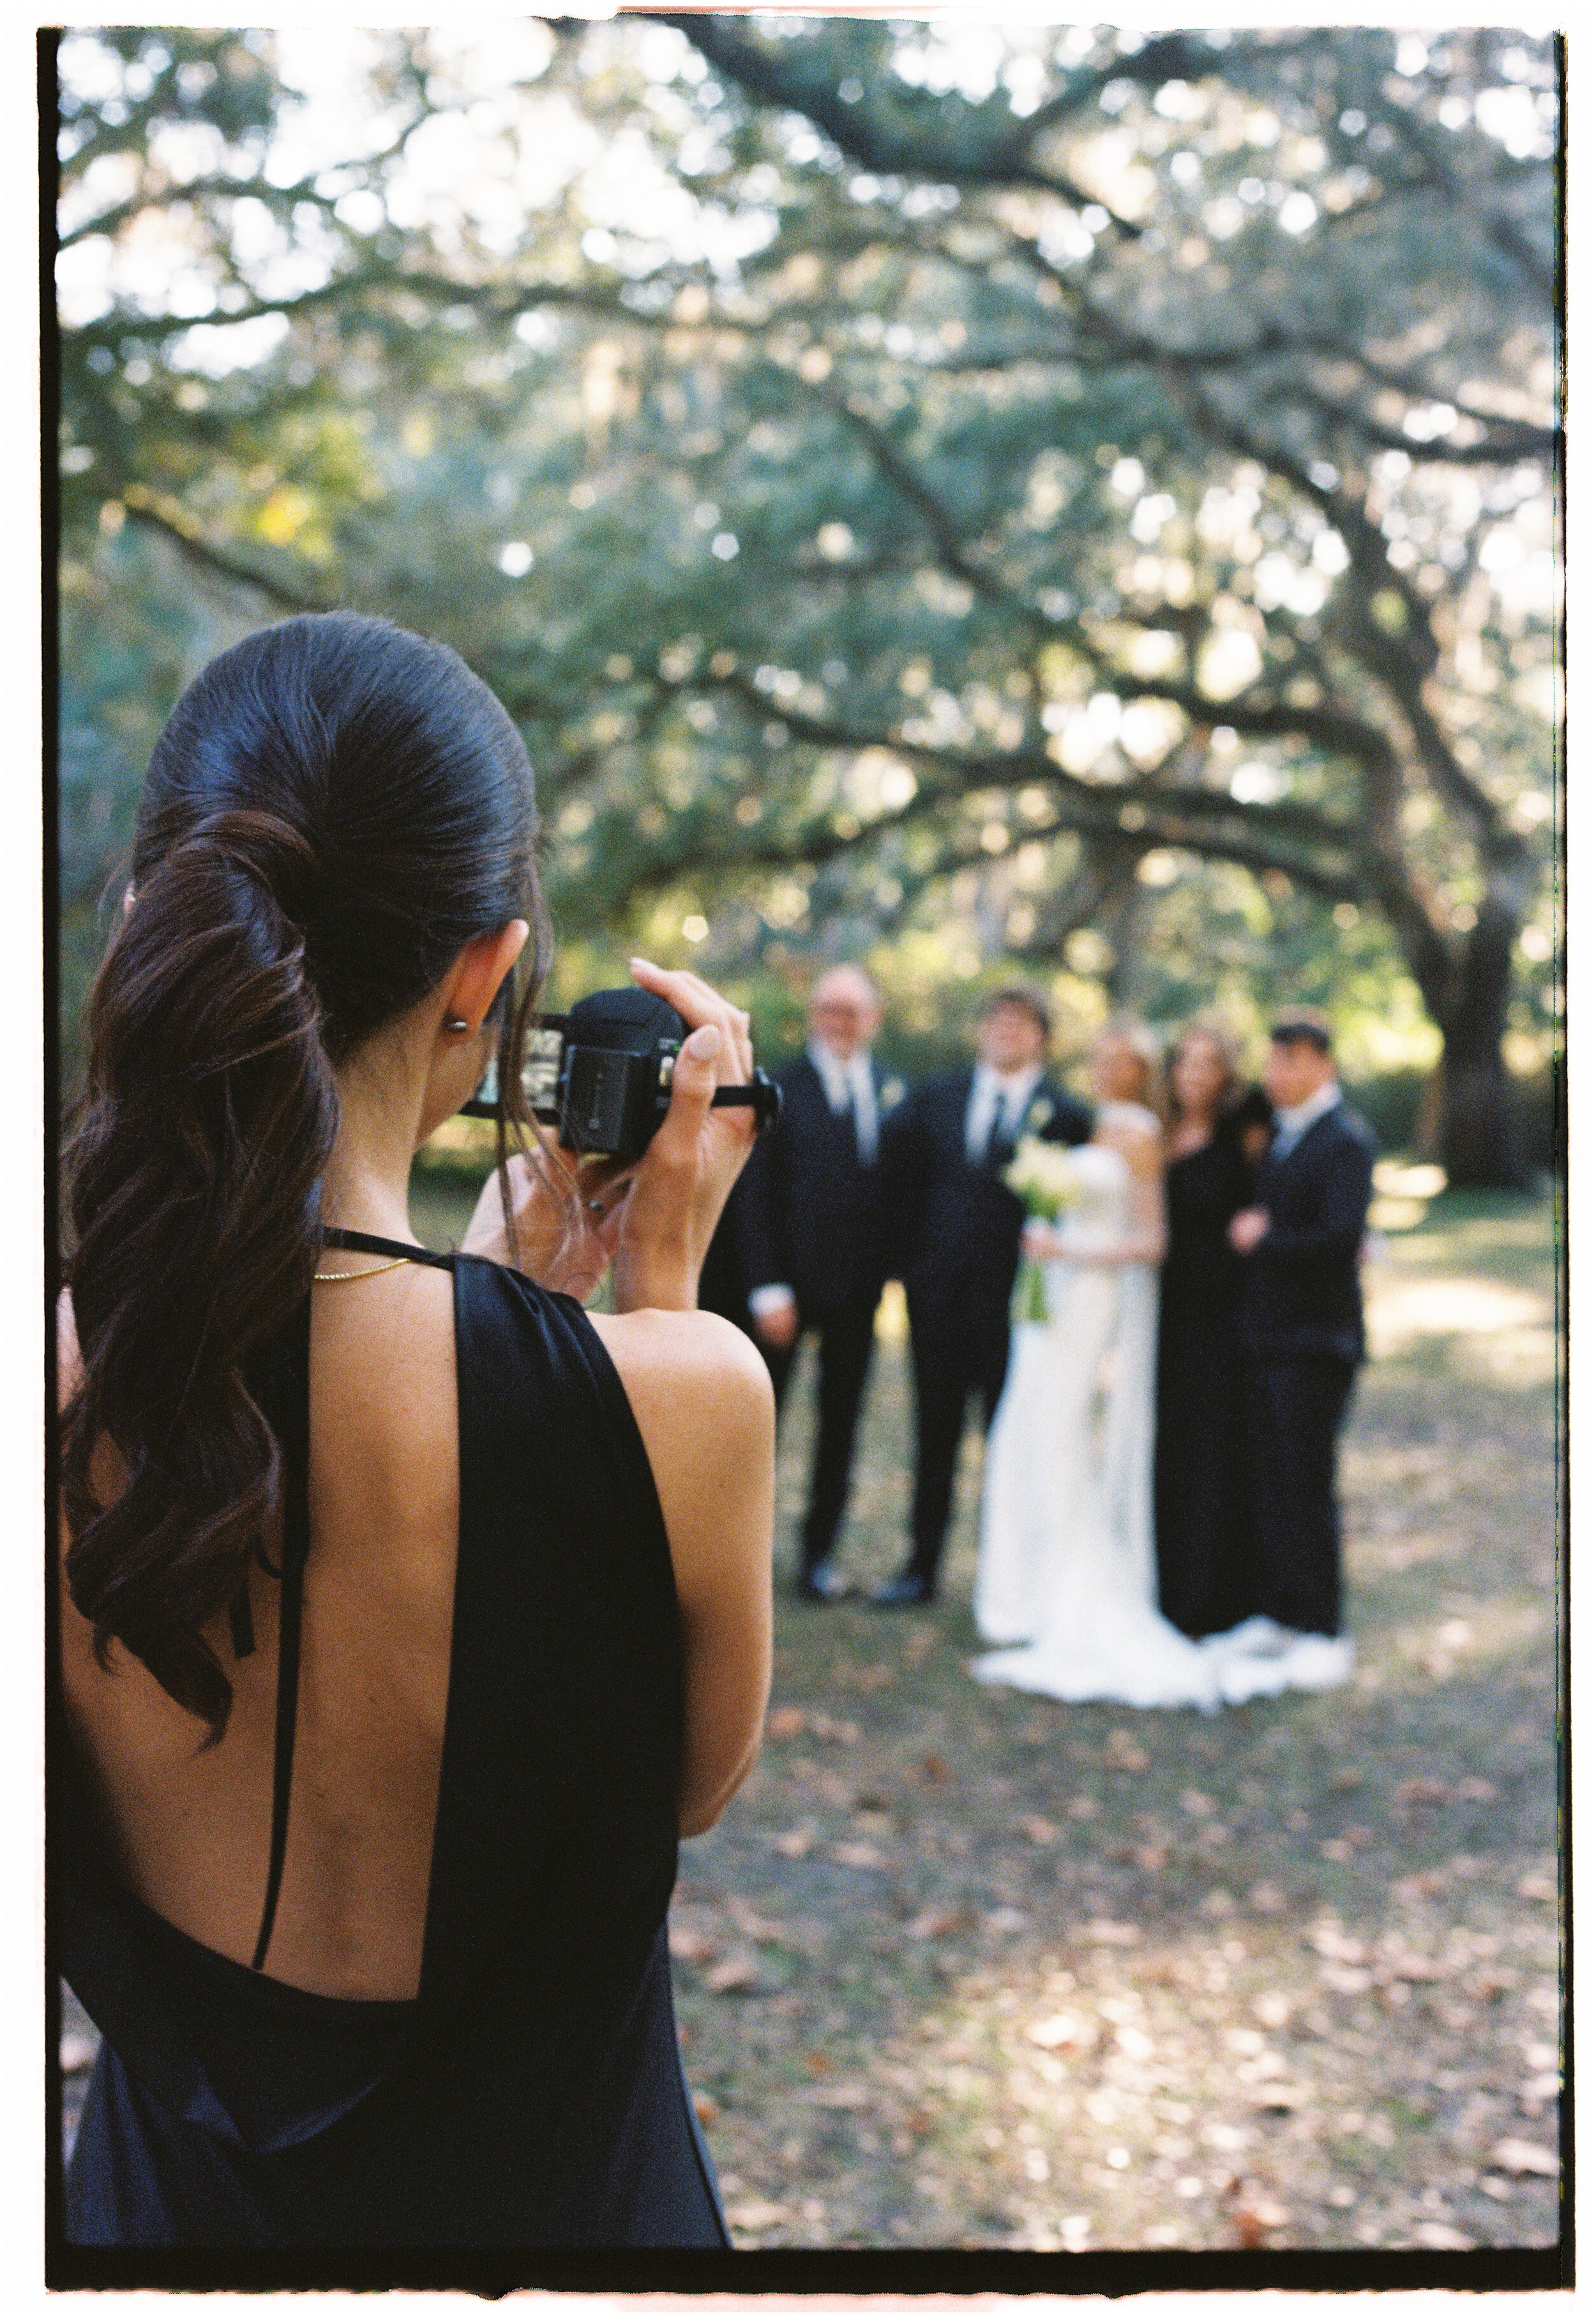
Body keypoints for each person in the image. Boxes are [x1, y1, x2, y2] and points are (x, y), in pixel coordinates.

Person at [54, 612, 775, 2250]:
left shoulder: (57, 1382)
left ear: (148, 922)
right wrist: (649, 1308)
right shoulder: (687, 1401)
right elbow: (683, 1789)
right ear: (486, 974)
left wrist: (480, 1309)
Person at [969, 1022, 1277, 1710]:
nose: (1108, 1070)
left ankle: (1069, 1585)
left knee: (1062, 1432)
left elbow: (1151, 1241)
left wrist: (1068, 1253)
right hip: (1055, 1296)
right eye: (1100, 1058)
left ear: (1142, 1071)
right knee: (1032, 1429)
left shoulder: (1138, 1131)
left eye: (1122, 1061)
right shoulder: (1094, 1123)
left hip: (1095, 1298)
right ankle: (1025, 1587)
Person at [872, 987, 1091, 1609]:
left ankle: (1007, 1576)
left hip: (1019, 1308)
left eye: (1019, 1024)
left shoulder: (1067, 1114)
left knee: (1014, 1440)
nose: (1004, 1032)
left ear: (1041, 1037)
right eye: (994, 1020)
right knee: (933, 1435)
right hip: (936, 1297)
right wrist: (908, 1269)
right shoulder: (934, 1099)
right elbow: (899, 1187)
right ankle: (920, 1569)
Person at [1224, 1010, 1377, 1691]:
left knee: (1307, 1484)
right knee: (1272, 1480)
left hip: (1315, 1343)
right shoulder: (1282, 1133)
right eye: (1273, 1059)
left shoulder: (1344, 1140)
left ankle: (1322, 1626)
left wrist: (1264, 1238)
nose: (1276, 1073)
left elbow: (1341, 1241)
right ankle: (1280, 1611)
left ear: (1324, 1065)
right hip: (1268, 1340)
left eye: (1291, 1061)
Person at [736, 966, 894, 1602]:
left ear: (873, 1018)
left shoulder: (890, 1089)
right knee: (758, 1430)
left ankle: (817, 1560)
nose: (840, 1022)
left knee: (841, 1429)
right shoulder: (776, 1086)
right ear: (813, 1016)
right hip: (785, 1293)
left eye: (852, 1011)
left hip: (859, 1296)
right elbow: (752, 1195)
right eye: (829, 1009)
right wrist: (767, 1286)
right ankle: (738, 1559)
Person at [1154, 1022, 1268, 1641]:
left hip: (1218, 1312)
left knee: (1211, 1448)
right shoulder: (1161, 1129)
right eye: (1183, 1063)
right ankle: (1164, 1582)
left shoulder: (1242, 1130)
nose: (1193, 1075)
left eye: (1206, 1064)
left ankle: (1209, 1597)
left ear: (1224, 1072)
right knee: (1167, 1444)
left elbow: (1268, 1192)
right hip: (1162, 1309)